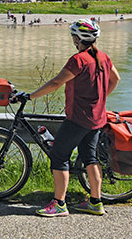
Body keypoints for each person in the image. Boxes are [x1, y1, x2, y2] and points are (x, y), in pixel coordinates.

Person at [12, 19, 120, 217]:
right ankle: (96, 202)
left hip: (78, 118)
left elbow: (56, 83)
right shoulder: (104, 57)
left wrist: (30, 95)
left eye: (73, 36)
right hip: (97, 118)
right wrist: (101, 98)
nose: (72, 39)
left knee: (59, 156)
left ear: (78, 39)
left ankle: (59, 204)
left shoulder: (78, 60)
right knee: (90, 157)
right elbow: (116, 79)